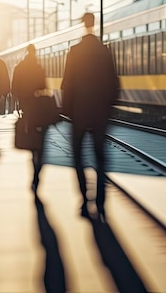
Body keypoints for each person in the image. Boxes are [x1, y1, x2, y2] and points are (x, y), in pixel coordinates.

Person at [61, 12, 119, 221]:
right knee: (100, 156)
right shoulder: (104, 51)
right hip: (100, 111)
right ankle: (101, 202)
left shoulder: (74, 51)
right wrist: (109, 107)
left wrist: (66, 110)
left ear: (82, 25)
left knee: (78, 156)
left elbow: (67, 83)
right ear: (94, 24)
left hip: (79, 111)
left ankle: (85, 201)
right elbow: (113, 81)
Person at [11, 44, 47, 192]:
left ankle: (34, 164)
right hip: (38, 108)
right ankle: (38, 169)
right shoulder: (38, 68)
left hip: (26, 108)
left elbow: (14, 88)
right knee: (40, 141)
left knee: (31, 139)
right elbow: (43, 86)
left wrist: (20, 100)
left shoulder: (19, 67)